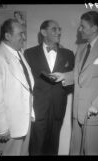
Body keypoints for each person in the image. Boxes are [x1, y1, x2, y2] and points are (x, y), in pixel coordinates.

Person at [51, 11, 98, 155]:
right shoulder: (81, 48)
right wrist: (63, 76)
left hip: (94, 115)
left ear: (94, 28)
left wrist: (97, 106)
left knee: (93, 152)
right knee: (75, 151)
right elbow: (77, 74)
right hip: (77, 113)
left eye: (82, 26)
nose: (79, 29)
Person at [0, 18, 34, 156]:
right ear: (7, 36)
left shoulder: (19, 54)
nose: (24, 37)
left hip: (22, 124)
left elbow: (27, 88)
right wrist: (2, 128)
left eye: (24, 33)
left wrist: (31, 114)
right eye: (20, 34)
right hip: (8, 128)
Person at [24, 20, 74, 155]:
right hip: (38, 108)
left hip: (58, 108)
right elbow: (25, 83)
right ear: (43, 32)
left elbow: (74, 79)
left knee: (53, 146)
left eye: (59, 29)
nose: (59, 32)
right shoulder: (29, 54)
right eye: (54, 29)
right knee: (36, 146)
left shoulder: (69, 54)